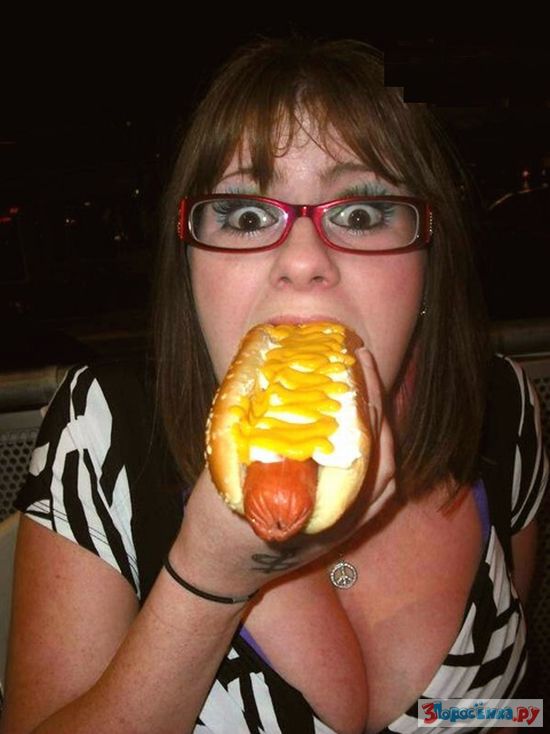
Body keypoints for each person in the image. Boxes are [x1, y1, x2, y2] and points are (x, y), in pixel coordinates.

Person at [2, 35, 548, 734]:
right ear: (189, 262)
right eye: (247, 216)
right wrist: (209, 581)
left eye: (361, 214)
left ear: (427, 260)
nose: (302, 260)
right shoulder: (99, 429)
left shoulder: (501, 408)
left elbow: (509, 704)